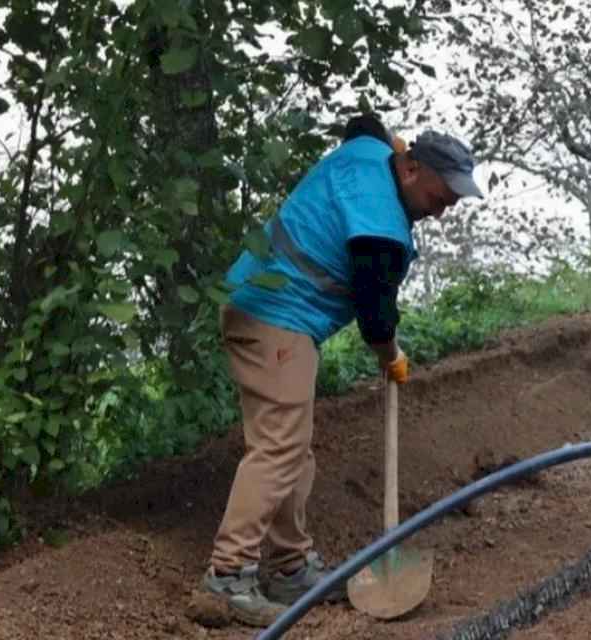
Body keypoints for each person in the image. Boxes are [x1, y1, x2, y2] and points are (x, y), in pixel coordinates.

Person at [196, 117, 483, 626]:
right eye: (443, 196)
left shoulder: (373, 155)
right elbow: (375, 316)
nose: (444, 210)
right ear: (412, 169)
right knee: (279, 448)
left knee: (293, 451)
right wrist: (390, 354)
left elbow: (361, 127)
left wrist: (388, 140)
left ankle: (288, 568)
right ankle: (227, 577)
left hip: (266, 308)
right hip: (274, 316)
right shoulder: (381, 228)